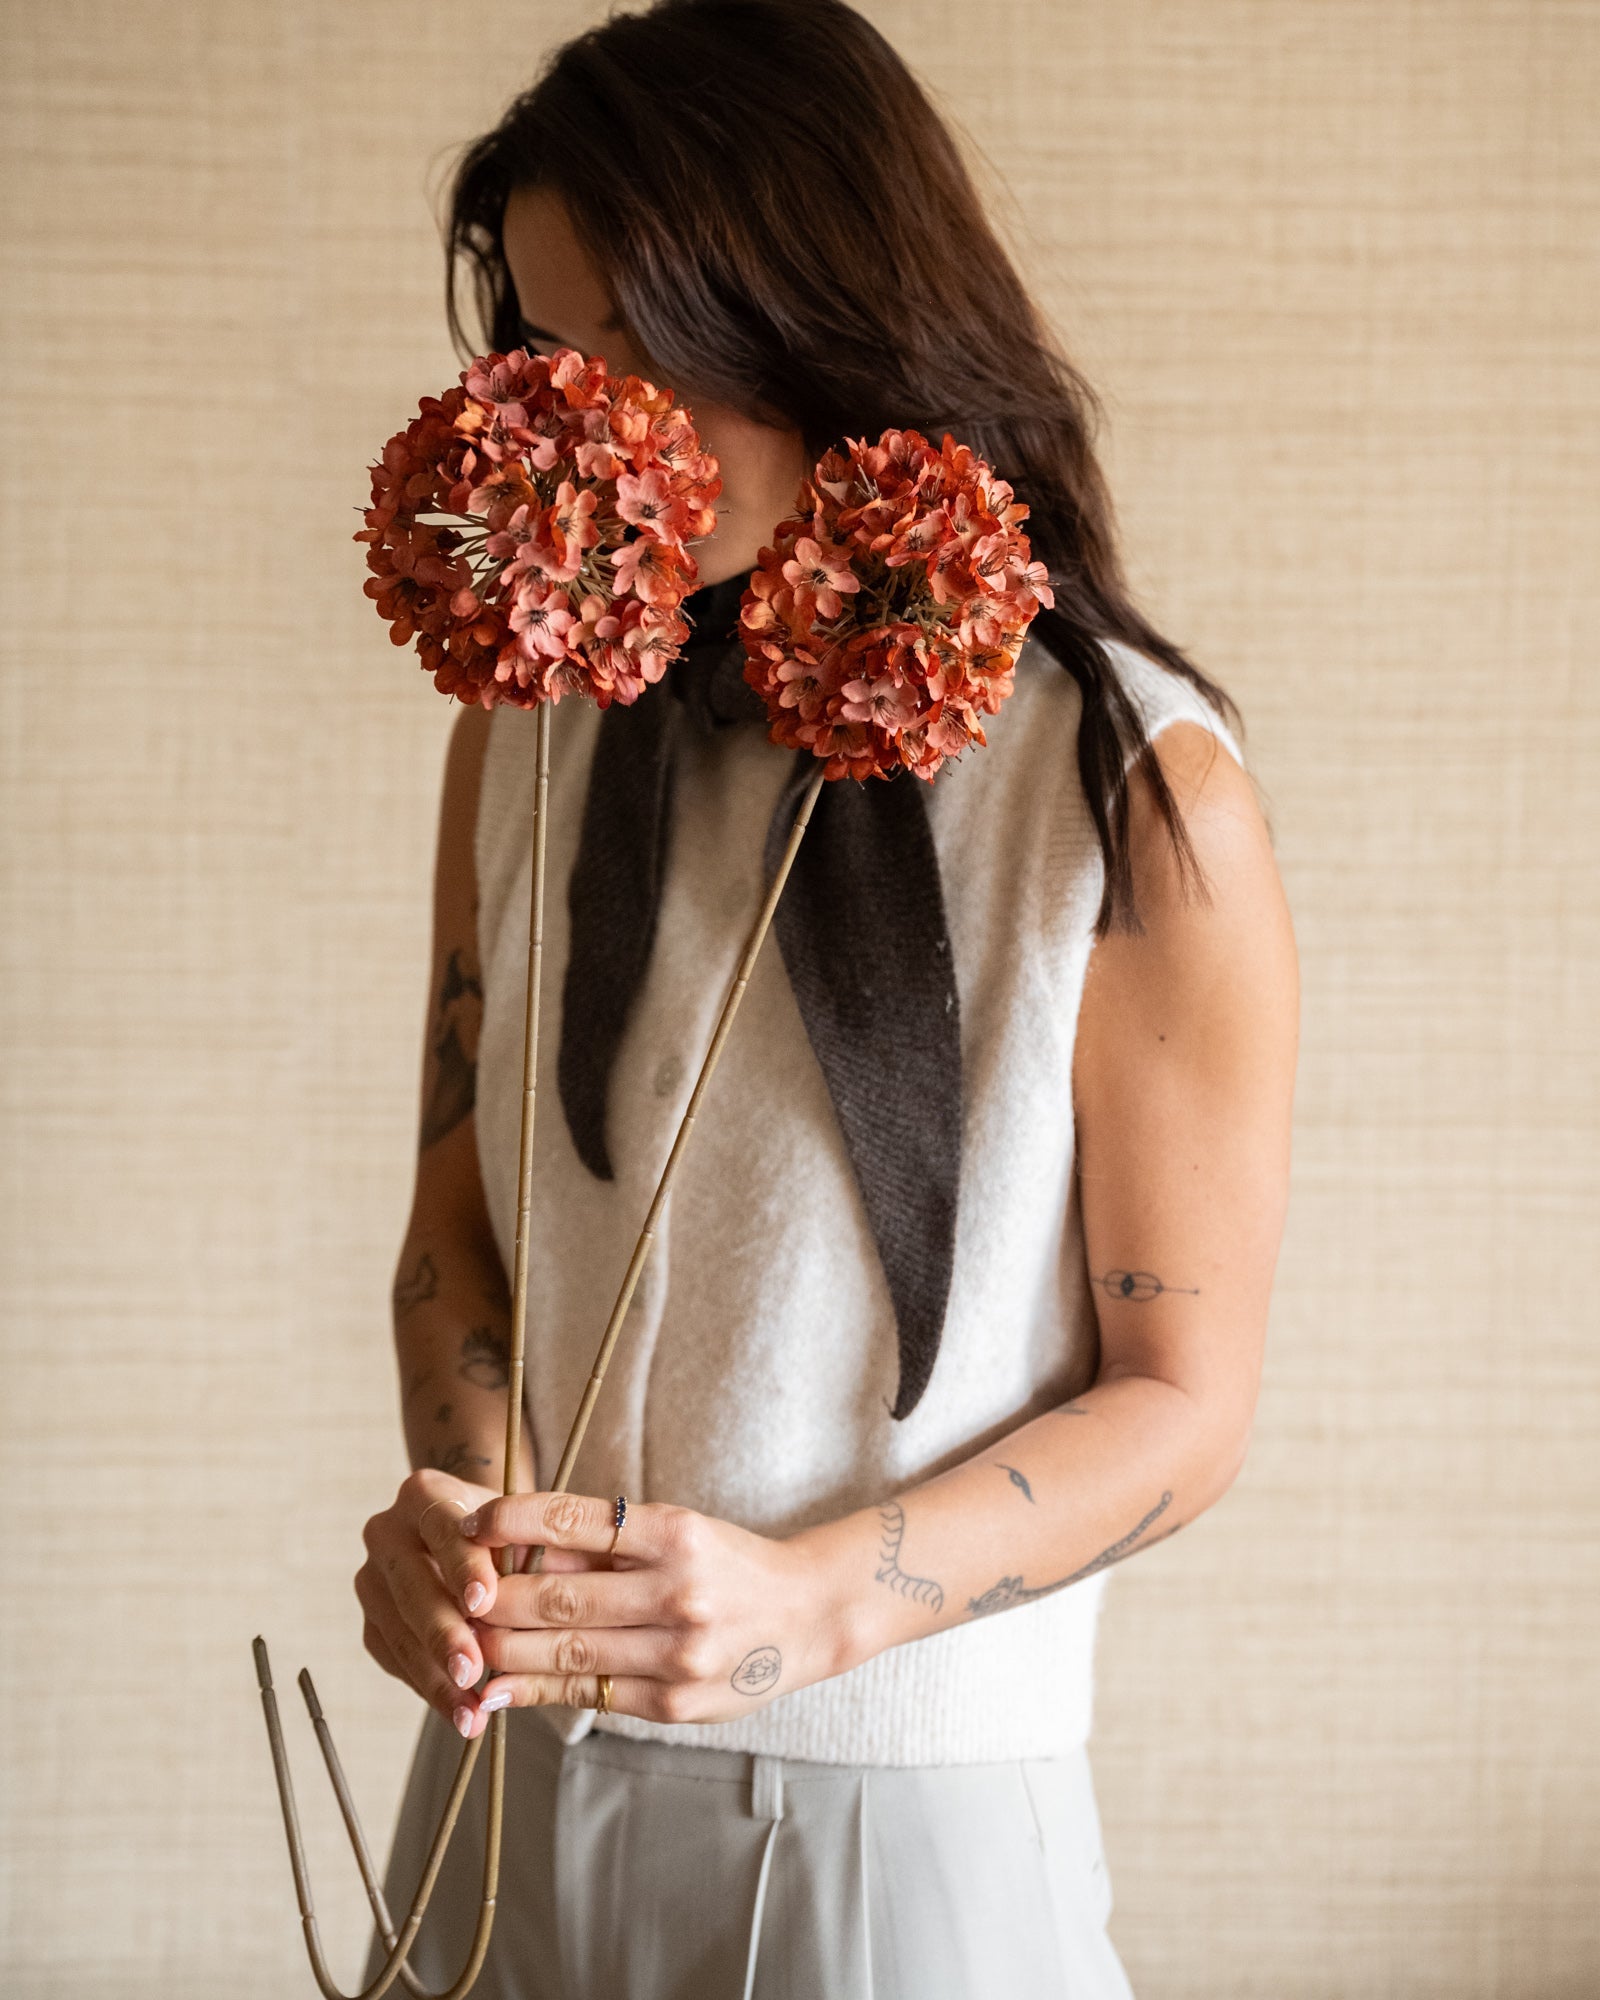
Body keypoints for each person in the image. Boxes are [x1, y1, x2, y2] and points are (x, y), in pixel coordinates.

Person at [355, 3, 1299, 1994]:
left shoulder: (1130, 793)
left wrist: (815, 1605)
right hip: (498, 1783)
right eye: (548, 350)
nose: (580, 425)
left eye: (637, 344)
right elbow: (457, 1224)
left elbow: (1185, 1403)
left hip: (895, 1829)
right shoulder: (525, 730)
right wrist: (475, 1505)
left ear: (808, 304)